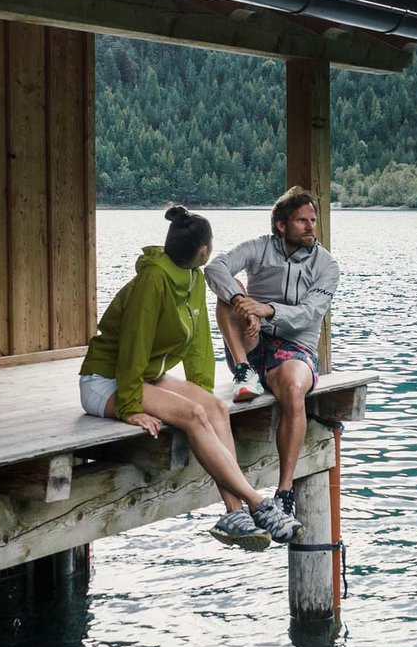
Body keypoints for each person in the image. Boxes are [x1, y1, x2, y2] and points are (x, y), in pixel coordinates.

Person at [78, 206, 302, 550]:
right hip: (105, 381)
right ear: (204, 251)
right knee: (193, 416)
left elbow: (198, 346)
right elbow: (133, 346)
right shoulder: (153, 280)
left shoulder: (195, 279)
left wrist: (203, 392)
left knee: (213, 409)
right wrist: (128, 407)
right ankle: (258, 503)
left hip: (148, 376)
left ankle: (233, 513)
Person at [206, 186, 339, 513]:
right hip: (252, 342)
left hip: (296, 348)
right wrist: (242, 303)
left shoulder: (327, 266)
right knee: (229, 292)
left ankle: (284, 491)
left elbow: (309, 314)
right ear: (281, 225)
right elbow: (214, 268)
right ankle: (244, 372)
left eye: (313, 220)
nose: (310, 227)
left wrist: (266, 309)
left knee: (293, 388)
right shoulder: (259, 248)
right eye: (301, 221)